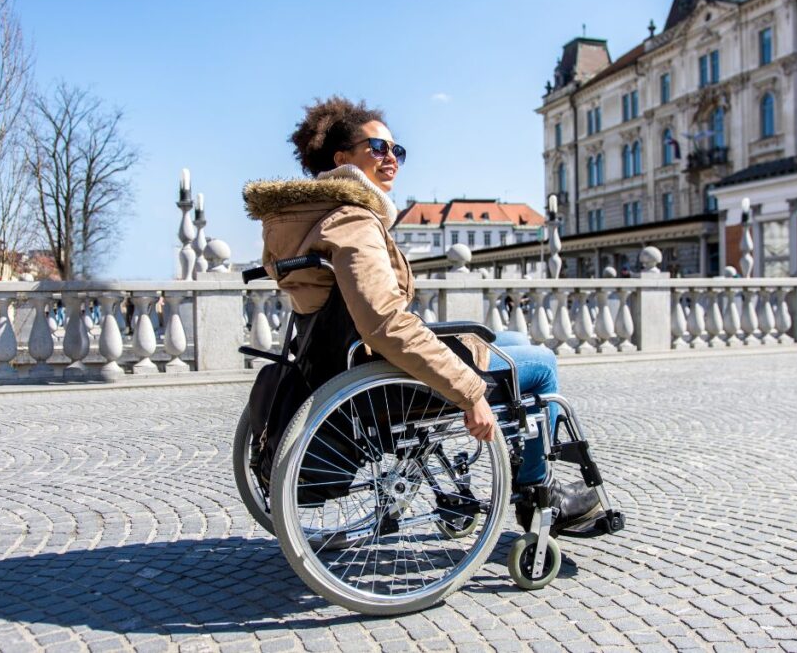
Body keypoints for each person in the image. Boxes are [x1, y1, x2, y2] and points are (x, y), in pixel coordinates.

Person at [243, 96, 598, 530]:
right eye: (377, 147)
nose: (391, 157)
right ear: (342, 159)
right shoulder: (352, 220)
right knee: (541, 365)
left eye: (397, 150)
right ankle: (538, 494)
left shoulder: (314, 218)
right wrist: (469, 392)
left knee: (516, 343)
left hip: (346, 366)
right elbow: (384, 323)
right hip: (382, 384)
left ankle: (524, 478)